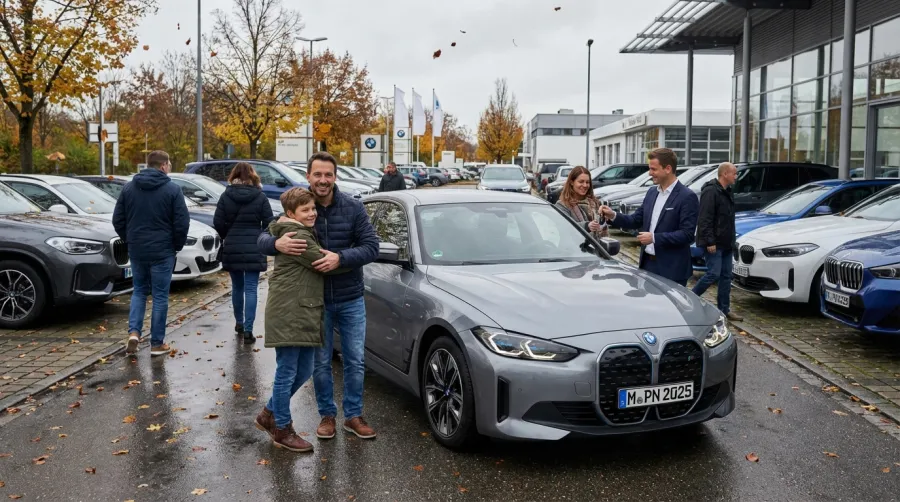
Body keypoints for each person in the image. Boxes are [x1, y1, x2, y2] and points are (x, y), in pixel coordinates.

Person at [257, 151, 380, 440]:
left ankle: (353, 415)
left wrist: (341, 258)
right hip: (315, 302)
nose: (323, 180)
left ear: (335, 177)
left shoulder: (353, 207)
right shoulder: (299, 205)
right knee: (320, 364)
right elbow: (263, 238)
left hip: (350, 297)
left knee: (355, 360)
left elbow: (371, 246)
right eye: (317, 174)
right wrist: (276, 244)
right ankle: (327, 415)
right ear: (309, 176)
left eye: (328, 174)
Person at [255, 188, 342, 453]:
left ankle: (269, 413)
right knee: (287, 371)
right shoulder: (299, 235)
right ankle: (282, 428)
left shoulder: (287, 230)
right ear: (291, 213)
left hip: (302, 310)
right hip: (290, 311)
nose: (312, 213)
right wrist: (346, 259)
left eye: (313, 208)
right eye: (305, 210)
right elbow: (322, 262)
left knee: (304, 370)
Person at [113, 150, 190, 356]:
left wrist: (130, 238)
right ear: (164, 166)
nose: (170, 166)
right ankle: (157, 343)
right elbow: (182, 222)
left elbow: (118, 220)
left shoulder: (129, 188)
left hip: (137, 249)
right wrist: (177, 245)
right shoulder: (173, 190)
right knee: (160, 296)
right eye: (170, 163)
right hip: (163, 250)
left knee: (139, 291)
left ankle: (134, 333)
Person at [600, 148, 698, 286]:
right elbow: (635, 220)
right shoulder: (652, 192)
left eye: (653, 169)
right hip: (647, 265)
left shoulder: (687, 196)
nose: (650, 173)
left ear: (668, 168)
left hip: (672, 270)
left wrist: (654, 238)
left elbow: (687, 235)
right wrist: (613, 215)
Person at [213, 162, 275, 344]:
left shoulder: (226, 196)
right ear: (253, 176)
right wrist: (261, 237)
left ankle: (239, 323)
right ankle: (249, 330)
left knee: (237, 287)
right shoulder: (260, 197)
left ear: (234, 176)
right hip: (254, 246)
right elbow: (269, 222)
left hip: (233, 246)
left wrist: (228, 235)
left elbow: (218, 221)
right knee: (251, 288)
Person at [693, 162, 743, 321]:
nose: (736, 177)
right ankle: (688, 299)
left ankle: (724, 309)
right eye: (734, 174)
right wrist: (710, 241)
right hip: (714, 243)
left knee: (726, 276)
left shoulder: (727, 191)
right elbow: (705, 219)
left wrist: (732, 240)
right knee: (713, 273)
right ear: (724, 174)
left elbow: (728, 219)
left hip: (726, 242)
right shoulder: (710, 191)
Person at [555, 165, 609, 240]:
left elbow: (603, 231)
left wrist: (604, 220)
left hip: (595, 250)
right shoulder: (562, 205)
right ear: (571, 182)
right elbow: (564, 227)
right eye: (581, 182)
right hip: (573, 249)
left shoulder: (595, 203)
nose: (585, 185)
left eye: (587, 182)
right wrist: (586, 226)